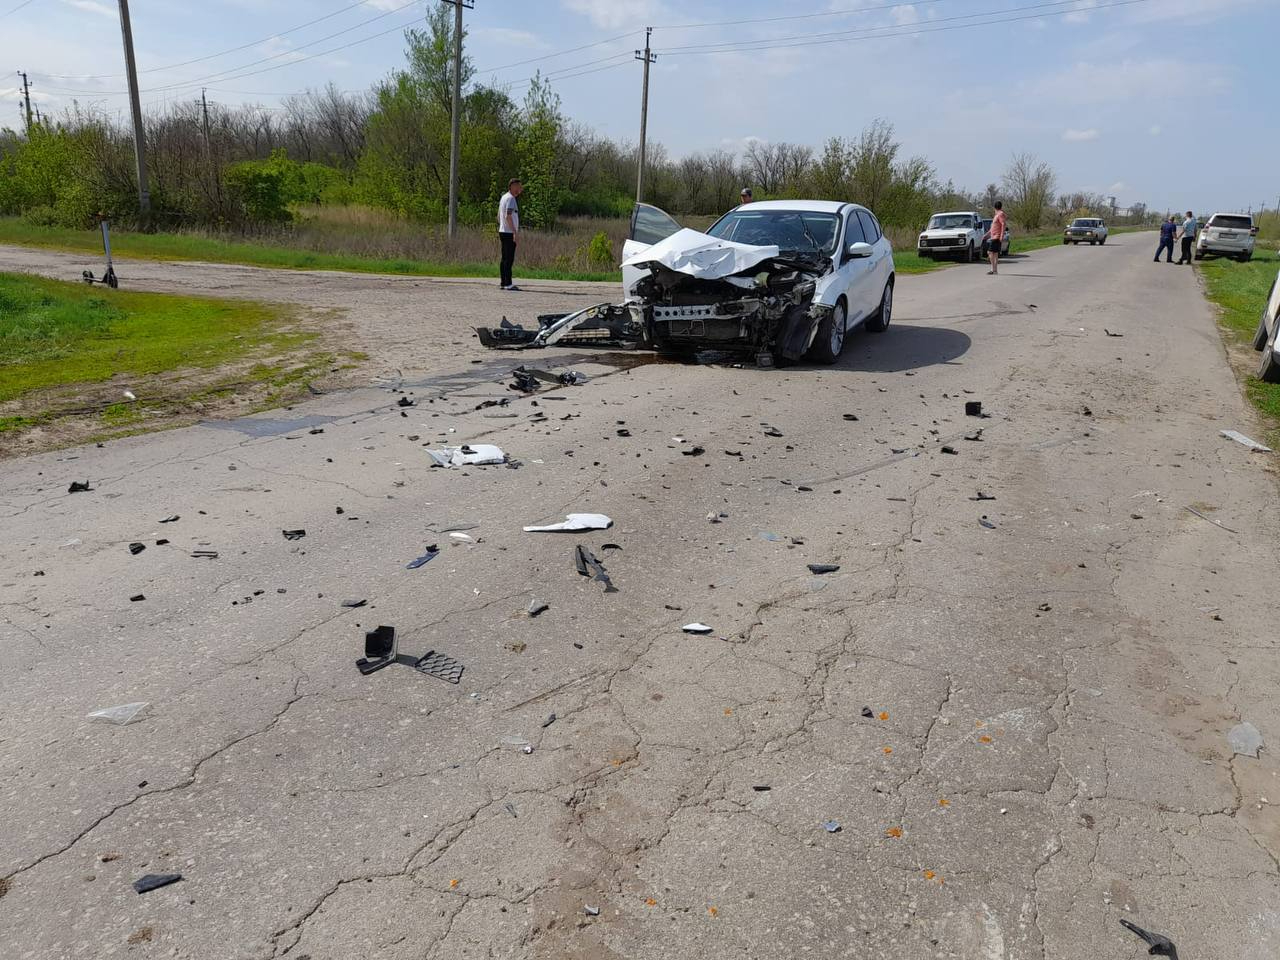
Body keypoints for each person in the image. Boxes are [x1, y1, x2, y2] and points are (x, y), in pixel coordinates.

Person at [497, 178, 522, 291]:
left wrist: (502, 225)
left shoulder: (504, 197)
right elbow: (508, 216)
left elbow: (499, 215)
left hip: (503, 230)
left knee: (504, 258)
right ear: (512, 186)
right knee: (509, 258)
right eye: (517, 186)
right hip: (508, 232)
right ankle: (508, 283)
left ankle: (503, 282)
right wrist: (514, 232)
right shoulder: (511, 199)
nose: (519, 189)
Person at [987, 200, 1006, 275]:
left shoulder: (1000, 214)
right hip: (993, 236)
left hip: (996, 236)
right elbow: (993, 227)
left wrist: (1001, 236)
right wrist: (987, 234)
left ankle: (993, 269)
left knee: (990, 252)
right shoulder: (996, 215)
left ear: (994, 207)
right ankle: (995, 270)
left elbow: (1003, 224)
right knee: (995, 253)